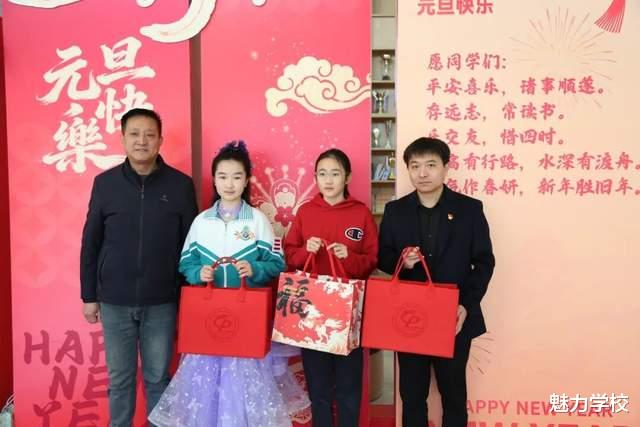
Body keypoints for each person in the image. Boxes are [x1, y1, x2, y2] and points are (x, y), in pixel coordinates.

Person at [148, 140, 309, 427]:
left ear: (246, 180)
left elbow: (277, 263)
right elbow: (185, 263)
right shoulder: (201, 222)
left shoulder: (258, 220)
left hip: (246, 320)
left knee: (243, 393)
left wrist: (255, 268)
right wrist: (198, 273)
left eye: (237, 176)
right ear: (214, 179)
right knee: (206, 394)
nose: (229, 183)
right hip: (208, 320)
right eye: (222, 176)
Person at [80, 108, 199, 427]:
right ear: (122, 139)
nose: (142, 141)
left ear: (160, 140)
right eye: (134, 134)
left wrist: (189, 297)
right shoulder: (105, 184)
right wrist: (89, 296)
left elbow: (191, 246)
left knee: (158, 378)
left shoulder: (180, 185)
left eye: (149, 134)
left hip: (162, 301)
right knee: (120, 381)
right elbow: (91, 242)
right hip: (114, 300)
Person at [377, 137, 495, 427]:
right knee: (412, 395)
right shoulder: (395, 211)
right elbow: (383, 257)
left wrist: (466, 304)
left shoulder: (469, 210)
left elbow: (484, 262)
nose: (422, 173)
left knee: (453, 394)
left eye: (430, 165)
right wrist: (402, 262)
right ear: (407, 169)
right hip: (409, 317)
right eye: (415, 166)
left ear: (446, 167)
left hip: (453, 316)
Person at [284, 148, 378, 427]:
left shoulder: (361, 213)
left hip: (348, 313)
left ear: (347, 177)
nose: (328, 180)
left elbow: (372, 261)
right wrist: (306, 251)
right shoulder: (306, 212)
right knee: (319, 388)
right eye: (322, 174)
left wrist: (349, 257)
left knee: (349, 387)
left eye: (335, 173)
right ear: (315, 177)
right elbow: (290, 256)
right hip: (311, 312)